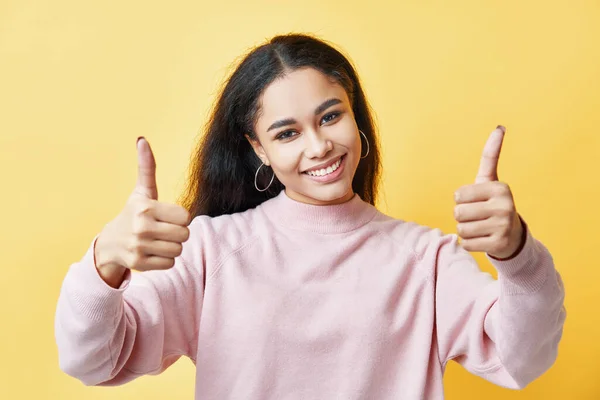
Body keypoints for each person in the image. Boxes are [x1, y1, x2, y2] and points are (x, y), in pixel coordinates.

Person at [54, 33, 566, 399]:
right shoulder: (211, 251)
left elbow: (523, 359)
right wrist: (106, 262)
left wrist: (516, 253)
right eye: (287, 132)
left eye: (330, 116)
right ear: (259, 149)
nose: (319, 146)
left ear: (354, 113)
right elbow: (93, 360)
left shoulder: (425, 259)